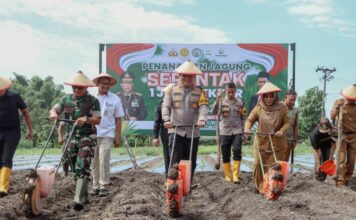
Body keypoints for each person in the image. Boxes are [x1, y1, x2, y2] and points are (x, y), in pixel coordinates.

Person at [49, 71, 101, 210]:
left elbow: (97, 120)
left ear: (86, 88)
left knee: (82, 164)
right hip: (71, 137)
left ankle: (77, 200)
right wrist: (54, 115)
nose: (77, 90)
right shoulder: (65, 99)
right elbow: (55, 109)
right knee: (72, 164)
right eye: (74, 88)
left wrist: (86, 119)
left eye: (80, 88)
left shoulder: (93, 101)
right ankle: (84, 196)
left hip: (87, 137)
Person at [162, 61, 209, 181]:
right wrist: (166, 119)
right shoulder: (171, 90)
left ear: (194, 77)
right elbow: (165, 106)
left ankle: (187, 186)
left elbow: (203, 107)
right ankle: (173, 186)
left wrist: (202, 118)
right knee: (175, 160)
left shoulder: (200, 91)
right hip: (175, 130)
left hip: (193, 131)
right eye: (185, 75)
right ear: (180, 76)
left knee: (190, 161)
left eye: (190, 76)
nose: (187, 78)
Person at [244, 82, 290, 193]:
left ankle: (272, 187)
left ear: (275, 96)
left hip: (277, 142)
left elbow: (287, 123)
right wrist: (247, 128)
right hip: (261, 141)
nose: (268, 99)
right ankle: (260, 187)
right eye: (266, 96)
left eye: (271, 96)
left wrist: (281, 131)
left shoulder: (282, 108)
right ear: (262, 97)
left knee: (274, 166)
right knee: (257, 164)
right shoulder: (259, 107)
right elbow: (250, 120)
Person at [90, 73, 124, 197]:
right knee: (94, 161)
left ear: (110, 85)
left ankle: (103, 185)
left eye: (107, 83)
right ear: (98, 84)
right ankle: (95, 186)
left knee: (104, 158)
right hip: (92, 132)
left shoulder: (115, 99)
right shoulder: (91, 97)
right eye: (103, 83)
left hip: (108, 133)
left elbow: (118, 119)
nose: (105, 85)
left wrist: (118, 137)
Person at [0, 76, 33, 197]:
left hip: (12, 132)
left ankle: (3, 188)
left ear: (6, 88)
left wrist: (30, 130)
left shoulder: (14, 96)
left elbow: (25, 112)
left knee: (6, 158)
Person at [212, 83, 247, 183]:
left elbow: (244, 116)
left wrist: (244, 131)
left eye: (232, 92)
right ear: (226, 91)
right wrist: (218, 98)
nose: (231, 94)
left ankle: (235, 175)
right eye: (229, 92)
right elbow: (213, 112)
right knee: (225, 153)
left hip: (237, 130)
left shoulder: (240, 102)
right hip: (225, 131)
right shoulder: (221, 101)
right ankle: (228, 175)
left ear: (235, 91)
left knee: (237, 150)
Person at [330, 84, 356, 187]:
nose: (351, 100)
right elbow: (332, 116)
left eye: (353, 99)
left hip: (354, 136)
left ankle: (346, 179)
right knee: (340, 159)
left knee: (352, 160)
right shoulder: (339, 102)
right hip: (342, 135)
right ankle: (339, 181)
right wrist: (337, 107)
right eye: (349, 98)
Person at [152, 85, 173, 176]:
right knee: (167, 152)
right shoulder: (161, 104)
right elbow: (157, 121)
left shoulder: (180, 103)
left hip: (179, 130)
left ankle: (179, 172)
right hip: (165, 131)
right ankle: (168, 173)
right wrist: (155, 137)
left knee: (177, 152)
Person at [282, 90, 298, 162]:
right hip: (278, 139)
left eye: (294, 100)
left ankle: (282, 173)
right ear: (286, 97)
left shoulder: (295, 110)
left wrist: (295, 139)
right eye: (291, 100)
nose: (293, 102)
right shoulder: (278, 107)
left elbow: (295, 125)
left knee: (285, 161)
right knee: (276, 160)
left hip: (289, 140)